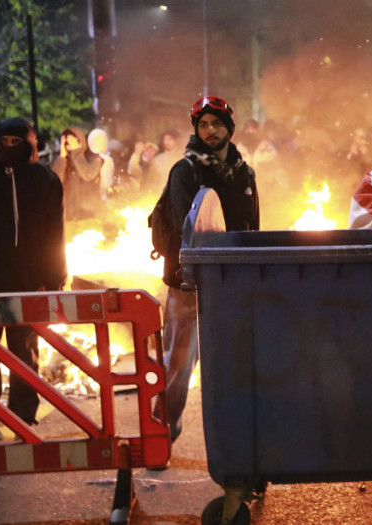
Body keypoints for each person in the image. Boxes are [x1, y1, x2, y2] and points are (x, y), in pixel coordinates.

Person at [156, 96, 260, 443]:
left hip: (233, 284)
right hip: (190, 286)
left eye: (217, 123)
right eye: (203, 125)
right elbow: (189, 229)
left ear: (229, 128)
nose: (211, 130)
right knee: (178, 367)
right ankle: (163, 433)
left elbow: (252, 227)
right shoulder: (185, 171)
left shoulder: (244, 172)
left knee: (234, 366)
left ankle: (238, 444)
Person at [0, 117, 67, 440]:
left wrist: (53, 280)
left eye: (17, 142)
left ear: (31, 145)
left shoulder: (45, 181)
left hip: (28, 280)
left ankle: (23, 417)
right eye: (4, 141)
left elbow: (54, 235)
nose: (9, 148)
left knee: (24, 349)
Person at [52, 126, 102, 220]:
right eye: (66, 142)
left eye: (73, 141)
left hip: (90, 217)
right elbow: (55, 183)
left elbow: (87, 174)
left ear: (81, 141)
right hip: (69, 218)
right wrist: (62, 156)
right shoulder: (62, 161)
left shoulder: (93, 158)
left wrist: (77, 151)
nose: (69, 145)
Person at [87, 128, 115, 201]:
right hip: (102, 201)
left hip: (90, 200)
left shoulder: (88, 159)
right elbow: (107, 182)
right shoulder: (107, 160)